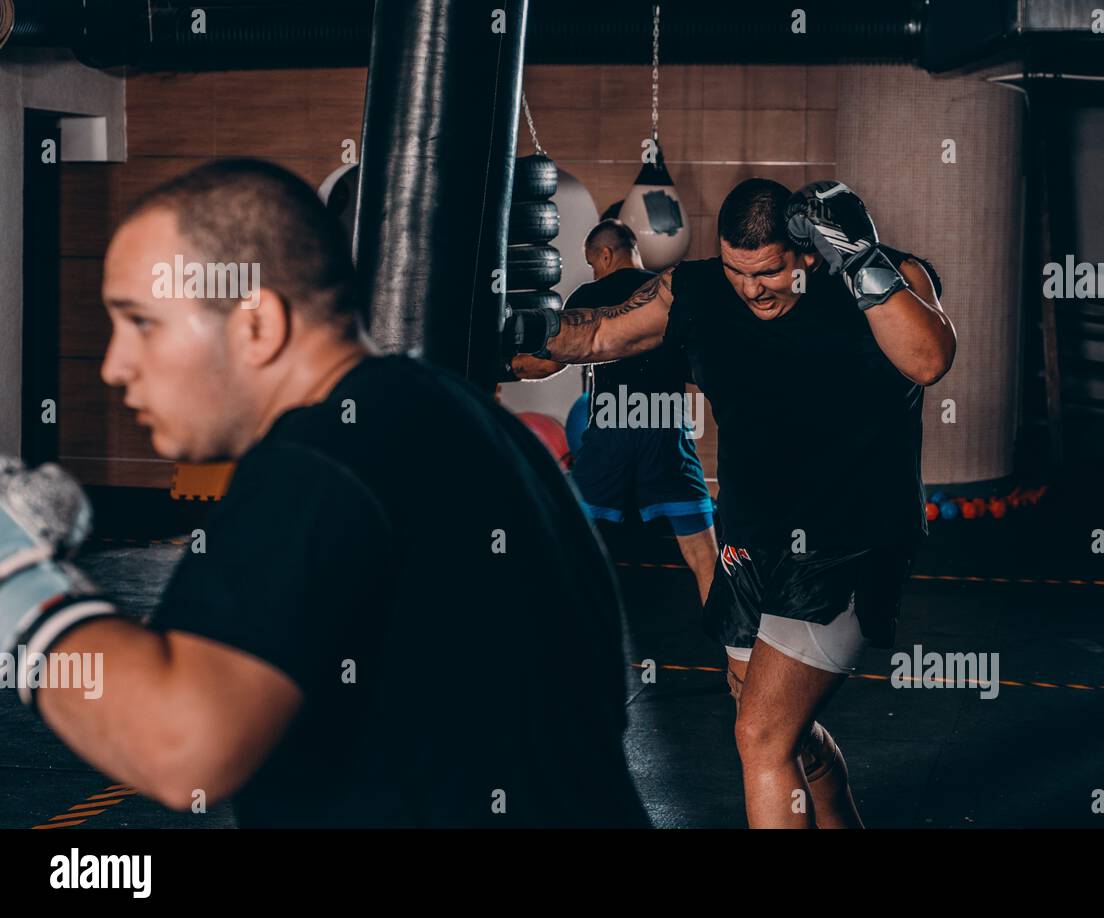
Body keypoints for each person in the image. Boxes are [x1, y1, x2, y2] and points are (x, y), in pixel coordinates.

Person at [0, 158, 648, 828]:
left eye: (142, 323)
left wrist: (13, 577)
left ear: (256, 325)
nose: (114, 365)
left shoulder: (321, 458)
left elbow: (181, 744)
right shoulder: (471, 421)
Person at [507, 178, 956, 828]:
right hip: (751, 542)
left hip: (847, 544)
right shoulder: (697, 291)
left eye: (768, 271)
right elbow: (599, 335)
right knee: (783, 732)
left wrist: (861, 256)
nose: (752, 289)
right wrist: (506, 333)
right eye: (737, 270)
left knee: (759, 738)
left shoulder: (874, 282)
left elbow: (929, 360)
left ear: (804, 254)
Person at [511, 219, 718, 603]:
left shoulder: (590, 294)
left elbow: (547, 364)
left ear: (605, 255)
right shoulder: (669, 294)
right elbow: (701, 367)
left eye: (593, 263)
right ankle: (734, 651)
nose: (594, 271)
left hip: (612, 428)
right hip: (665, 424)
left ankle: (566, 640)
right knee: (704, 555)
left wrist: (503, 363)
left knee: (570, 545)